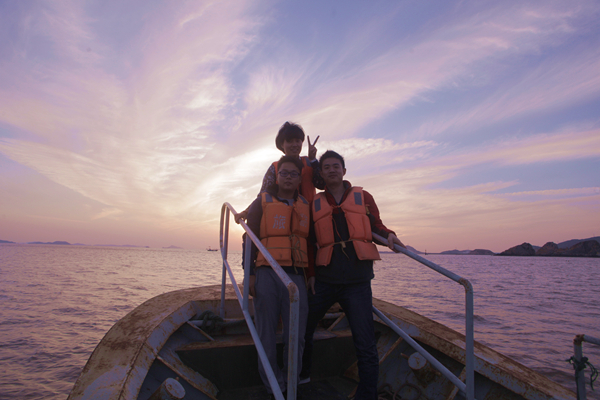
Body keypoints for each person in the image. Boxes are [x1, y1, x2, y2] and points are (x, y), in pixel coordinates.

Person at [301, 150, 405, 400]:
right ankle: (301, 377)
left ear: (344, 171)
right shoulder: (315, 203)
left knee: (365, 342)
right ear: (321, 173)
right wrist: (311, 274)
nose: (331, 170)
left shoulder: (363, 197)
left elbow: (376, 225)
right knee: (303, 328)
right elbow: (310, 242)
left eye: (336, 166)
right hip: (325, 279)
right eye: (326, 167)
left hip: (357, 282)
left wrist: (389, 235)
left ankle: (367, 395)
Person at [245, 155, 314, 399]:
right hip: (267, 273)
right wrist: (249, 274)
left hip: (296, 275)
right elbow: (248, 238)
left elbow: (310, 242)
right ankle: (274, 386)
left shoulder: (305, 205)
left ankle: (290, 382)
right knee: (266, 333)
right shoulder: (261, 202)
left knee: (297, 335)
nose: (288, 177)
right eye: (284, 173)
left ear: (299, 179)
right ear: (277, 176)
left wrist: (311, 274)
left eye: (294, 174)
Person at [235, 121, 323, 223]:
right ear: (282, 144)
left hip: (308, 219)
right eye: (290, 141)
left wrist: (313, 160)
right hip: (282, 219)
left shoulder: (310, 162)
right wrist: (246, 212)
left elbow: (321, 184)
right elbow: (264, 194)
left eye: (297, 141)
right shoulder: (274, 168)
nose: (294, 144)